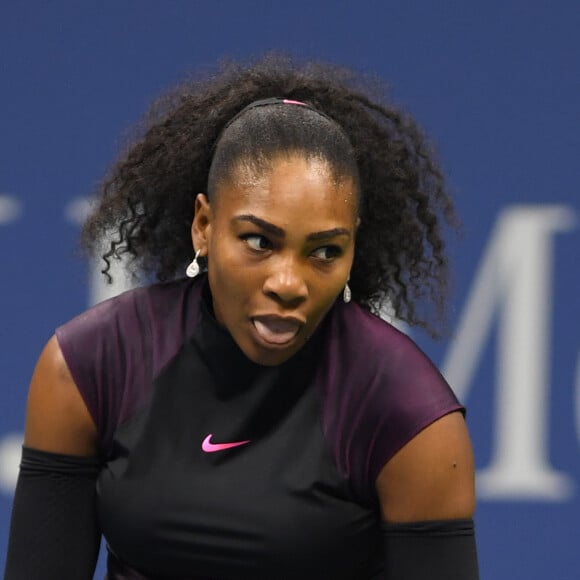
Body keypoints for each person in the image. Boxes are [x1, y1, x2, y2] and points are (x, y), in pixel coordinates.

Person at [5, 55, 478, 579]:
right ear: (204, 226)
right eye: (258, 241)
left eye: (323, 252)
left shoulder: (409, 416)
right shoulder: (88, 365)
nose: (288, 284)